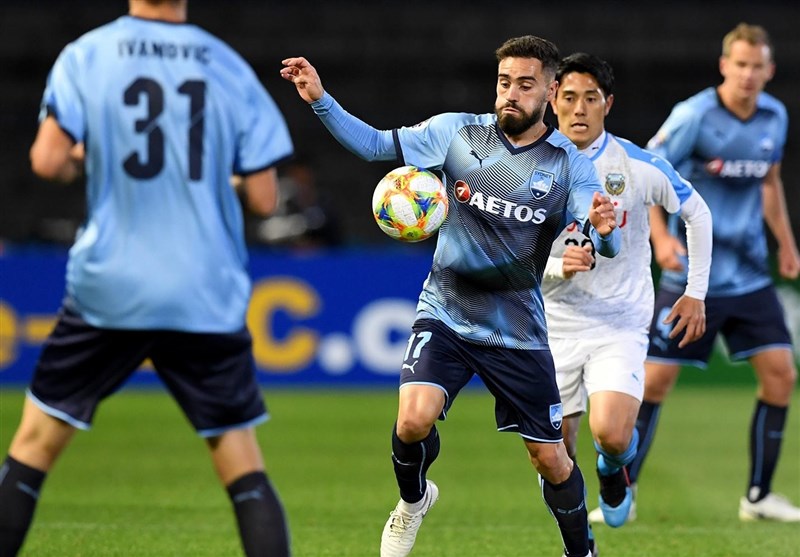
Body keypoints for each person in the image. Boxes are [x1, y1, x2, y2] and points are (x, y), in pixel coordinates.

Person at [281, 35, 621, 557]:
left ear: (551, 92)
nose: (511, 94)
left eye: (525, 85)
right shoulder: (456, 134)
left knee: (551, 461)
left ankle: (582, 551)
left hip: (516, 329)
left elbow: (594, 227)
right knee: (412, 419)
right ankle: (413, 501)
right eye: (504, 82)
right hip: (446, 311)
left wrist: (600, 231)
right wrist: (321, 100)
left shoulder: (566, 164)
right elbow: (375, 145)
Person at [0, 1, 294, 556]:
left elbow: (47, 161)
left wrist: (87, 159)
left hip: (112, 284)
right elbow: (263, 198)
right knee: (241, 462)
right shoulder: (227, 65)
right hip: (203, 288)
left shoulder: (88, 54)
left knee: (34, 445)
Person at [630, 22, 800, 522]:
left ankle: (758, 496)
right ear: (725, 65)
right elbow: (649, 175)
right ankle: (623, 493)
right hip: (692, 276)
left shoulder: (775, 116)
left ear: (769, 70)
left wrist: (786, 244)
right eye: (740, 64)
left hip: (749, 274)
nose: (748, 74)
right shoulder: (694, 116)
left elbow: (769, 183)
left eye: (757, 66)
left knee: (781, 376)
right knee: (654, 382)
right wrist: (660, 238)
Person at [543, 52, 713, 531]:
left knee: (612, 435)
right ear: (552, 100)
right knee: (554, 456)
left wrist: (695, 292)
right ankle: (577, 540)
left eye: (591, 98)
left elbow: (697, 213)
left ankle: (613, 469)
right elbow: (509, 252)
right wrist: (557, 267)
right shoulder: (524, 165)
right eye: (569, 97)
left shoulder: (635, 165)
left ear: (608, 104)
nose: (579, 108)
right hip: (550, 326)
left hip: (618, 323)